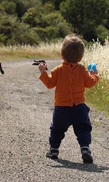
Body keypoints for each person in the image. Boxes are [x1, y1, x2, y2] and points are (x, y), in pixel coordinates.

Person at [38, 34, 99, 163]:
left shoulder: (58, 70)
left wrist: (43, 72)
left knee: (57, 129)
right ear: (81, 57)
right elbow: (90, 83)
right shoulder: (83, 70)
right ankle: (85, 149)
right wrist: (95, 75)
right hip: (79, 107)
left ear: (61, 55)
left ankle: (54, 150)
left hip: (61, 108)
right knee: (83, 128)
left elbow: (49, 84)